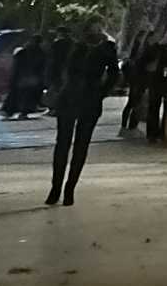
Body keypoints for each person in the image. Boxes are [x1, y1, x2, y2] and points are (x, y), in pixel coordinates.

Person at [45, 24, 118, 208]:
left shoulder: (94, 48)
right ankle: (63, 189)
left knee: (69, 144)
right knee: (73, 145)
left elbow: (114, 75)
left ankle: (62, 189)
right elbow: (113, 75)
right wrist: (102, 91)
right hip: (80, 97)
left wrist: (101, 91)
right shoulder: (96, 48)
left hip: (80, 97)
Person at [1, 30, 51, 120]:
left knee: (17, 95)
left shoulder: (23, 51)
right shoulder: (40, 53)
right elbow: (42, 66)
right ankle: (23, 112)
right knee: (28, 97)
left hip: (22, 77)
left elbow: (16, 65)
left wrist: (14, 77)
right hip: (33, 78)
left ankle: (10, 111)